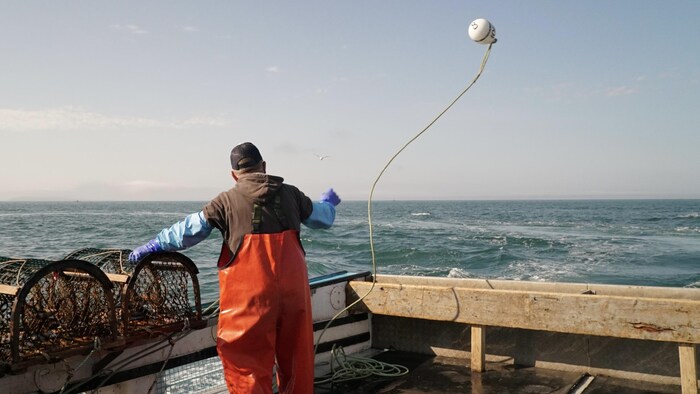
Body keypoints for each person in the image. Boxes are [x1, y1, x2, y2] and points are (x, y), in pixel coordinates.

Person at [129, 142, 341, 393]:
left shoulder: (224, 202)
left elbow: (187, 232)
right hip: (294, 297)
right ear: (264, 166)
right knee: (297, 361)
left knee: (246, 366)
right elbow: (322, 218)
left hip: (248, 302)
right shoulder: (293, 195)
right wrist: (328, 204)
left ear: (234, 175)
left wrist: (154, 245)